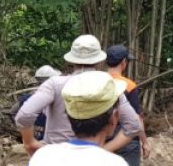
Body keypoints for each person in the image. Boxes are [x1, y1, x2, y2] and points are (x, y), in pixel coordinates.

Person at [15, 35, 143, 154]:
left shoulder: (54, 84)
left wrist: (30, 143)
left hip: (56, 156)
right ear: (99, 60)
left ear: (71, 60)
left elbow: (24, 115)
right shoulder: (108, 86)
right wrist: (102, 151)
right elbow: (133, 125)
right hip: (89, 159)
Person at [105, 46, 150, 166]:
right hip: (126, 141)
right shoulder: (128, 85)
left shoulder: (98, 81)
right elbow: (136, 119)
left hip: (104, 139)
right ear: (124, 63)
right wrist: (145, 141)